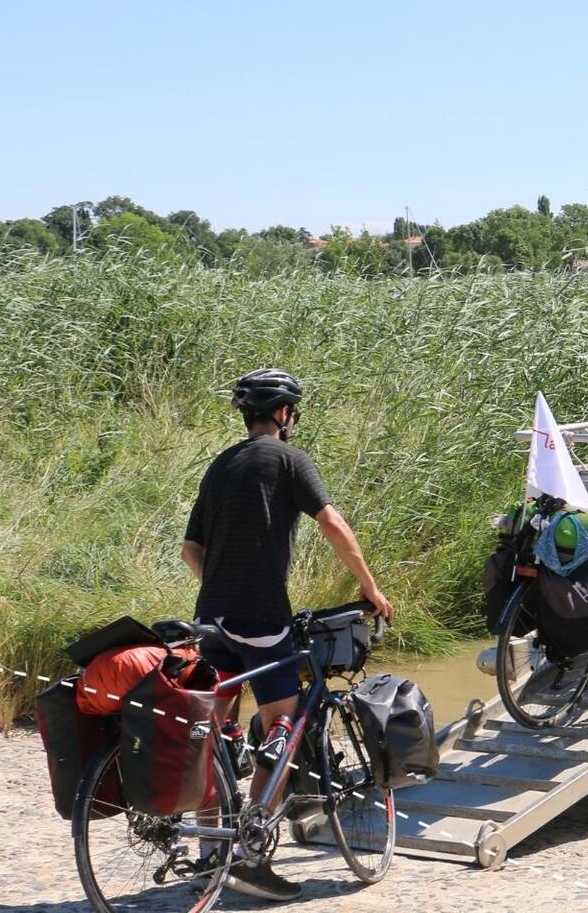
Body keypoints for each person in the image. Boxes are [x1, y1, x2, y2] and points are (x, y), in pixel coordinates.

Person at [180, 367, 393, 902]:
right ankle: (250, 856)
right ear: (283, 414)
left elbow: (191, 550)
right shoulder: (289, 459)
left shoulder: (220, 465)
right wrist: (372, 590)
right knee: (285, 724)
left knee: (217, 734)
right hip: (261, 617)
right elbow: (332, 525)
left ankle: (209, 854)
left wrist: (221, 589)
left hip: (212, 619)